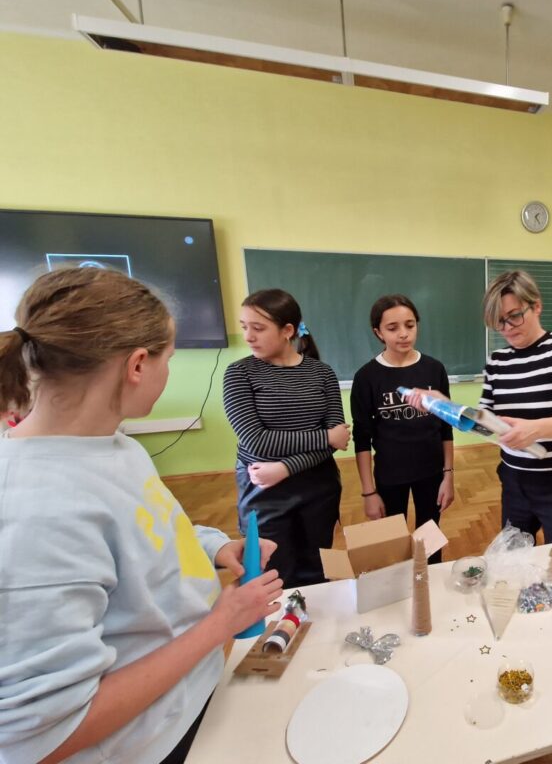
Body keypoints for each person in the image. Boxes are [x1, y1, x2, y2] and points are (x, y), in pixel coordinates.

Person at [0, 268, 282, 764]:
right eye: (167, 359)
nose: (166, 372)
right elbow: (38, 740)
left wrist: (213, 546)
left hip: (195, 697)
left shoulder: (114, 445)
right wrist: (220, 624)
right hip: (153, 745)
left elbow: (151, 528)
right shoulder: (36, 512)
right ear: (136, 365)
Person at [406, 270, 552, 543]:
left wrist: (535, 430)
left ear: (536, 306)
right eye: (499, 321)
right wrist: (443, 404)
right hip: (514, 483)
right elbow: (484, 423)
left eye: (514, 315)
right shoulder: (497, 361)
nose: (507, 327)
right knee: (512, 559)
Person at [223, 289, 350, 588]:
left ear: (287, 330)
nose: (248, 336)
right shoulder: (239, 374)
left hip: (318, 488)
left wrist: (285, 467)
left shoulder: (322, 373)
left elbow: (339, 440)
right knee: (272, 574)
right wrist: (325, 437)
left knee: (316, 571)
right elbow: (256, 442)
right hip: (264, 491)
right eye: (244, 327)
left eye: (258, 328)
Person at [351, 294, 454, 563]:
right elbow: (362, 439)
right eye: (392, 327)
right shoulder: (366, 377)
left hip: (431, 473)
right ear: (378, 332)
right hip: (389, 475)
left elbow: (446, 428)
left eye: (410, 325)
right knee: (392, 549)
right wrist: (369, 492)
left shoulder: (434, 369)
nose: (404, 334)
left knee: (429, 545)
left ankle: (428, 584)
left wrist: (448, 475)